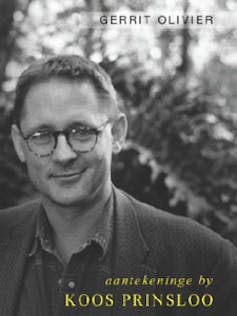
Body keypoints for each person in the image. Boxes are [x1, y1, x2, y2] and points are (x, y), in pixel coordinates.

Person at [0, 55, 236, 316]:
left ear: (118, 134)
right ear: (20, 144)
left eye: (81, 131)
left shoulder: (203, 261)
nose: (63, 155)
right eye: (42, 136)